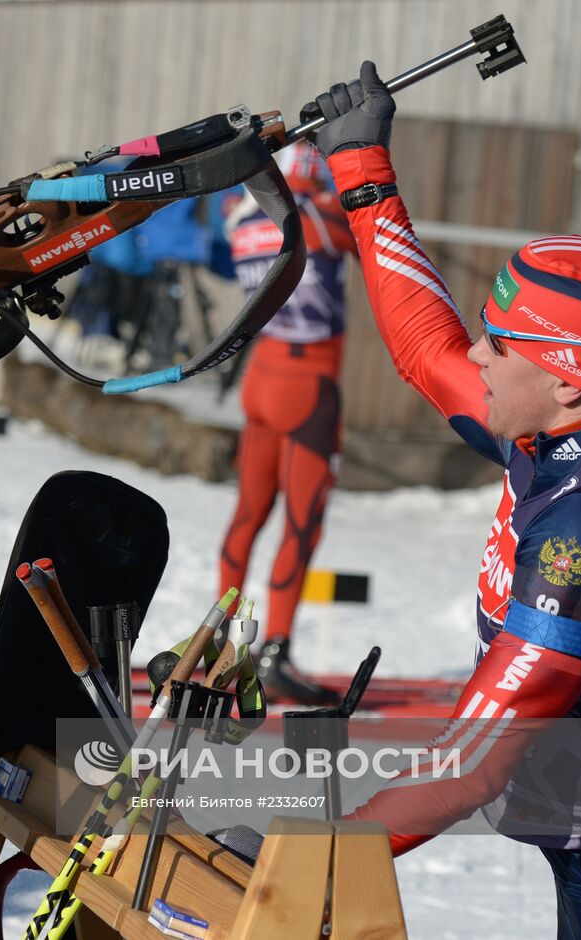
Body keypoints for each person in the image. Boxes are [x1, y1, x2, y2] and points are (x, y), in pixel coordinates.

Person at [303, 63, 581, 936]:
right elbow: (424, 348)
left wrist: (317, 850)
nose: (475, 354)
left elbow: (473, 762)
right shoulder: (556, 435)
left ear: (565, 376)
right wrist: (362, 171)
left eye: (499, 342)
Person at [218, 142, 358, 704]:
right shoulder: (316, 217)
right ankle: (273, 647)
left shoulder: (242, 216)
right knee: (302, 524)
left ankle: (219, 642)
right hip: (309, 384)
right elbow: (361, 231)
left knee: (248, 513)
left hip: (264, 375)